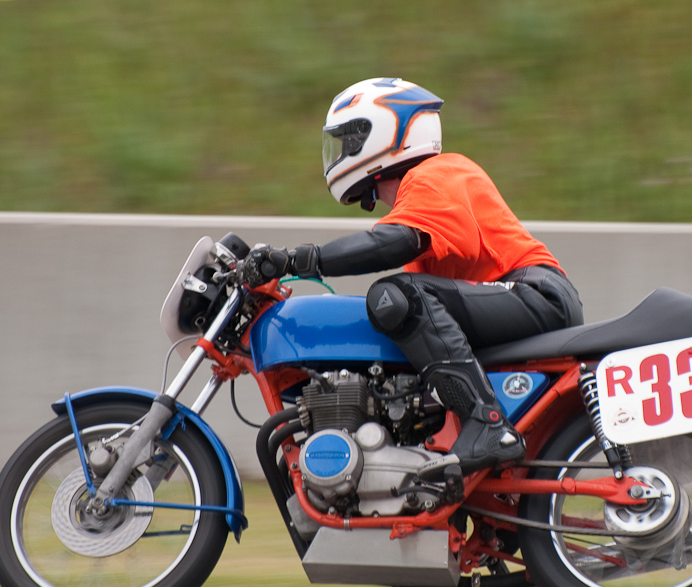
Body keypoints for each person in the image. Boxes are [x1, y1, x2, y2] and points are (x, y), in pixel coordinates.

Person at [243, 77, 583, 483]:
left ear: (389, 133)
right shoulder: (417, 197)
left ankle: (488, 424)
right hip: (517, 297)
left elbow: (394, 242)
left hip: (533, 293)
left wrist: (299, 260)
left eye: (350, 139)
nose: (341, 151)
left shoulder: (437, 173)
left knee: (395, 296)